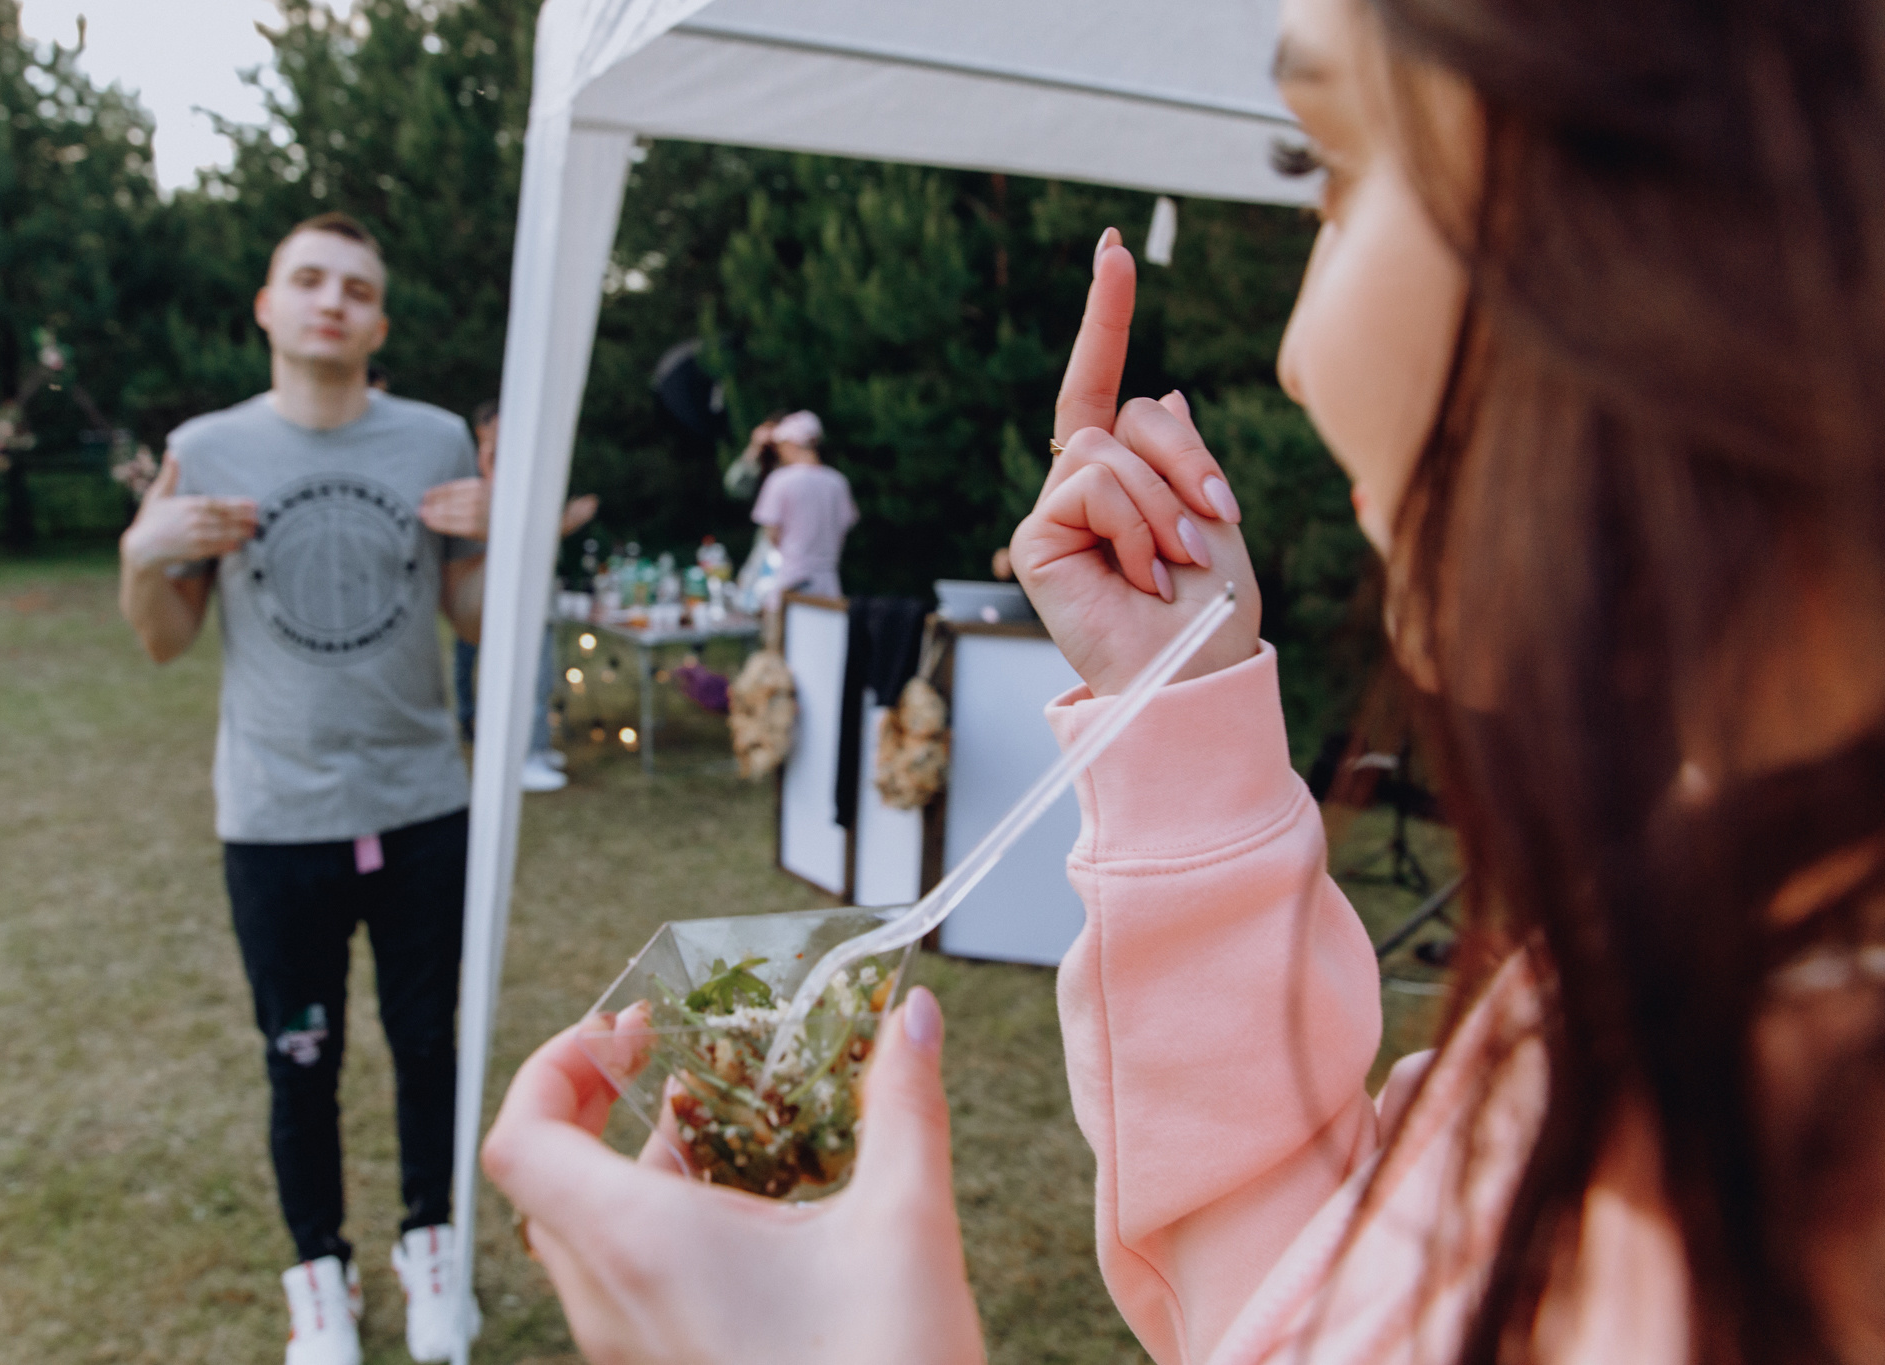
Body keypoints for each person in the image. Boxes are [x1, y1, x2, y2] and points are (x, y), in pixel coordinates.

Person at [476, 0, 1885, 1360]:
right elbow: (1319, 1290)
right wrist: (1183, 706)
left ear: (1707, 201)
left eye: (1323, 166)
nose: (1296, 356)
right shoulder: (1726, 953)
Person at [118, 212, 488, 1365]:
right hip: (276, 817)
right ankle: (317, 1273)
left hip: (423, 800)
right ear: (267, 307)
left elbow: (469, 619)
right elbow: (165, 641)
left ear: (378, 322)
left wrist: (505, 538)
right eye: (308, 280)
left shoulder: (434, 439)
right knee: (301, 1055)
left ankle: (431, 1247)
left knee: (430, 1044)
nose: (332, 300)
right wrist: (142, 552)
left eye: (356, 287)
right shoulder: (210, 448)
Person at [452, 398, 598, 791]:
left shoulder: (516, 473)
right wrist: (568, 521)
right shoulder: (484, 481)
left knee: (541, 675)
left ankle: (536, 747)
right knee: (527, 677)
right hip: (510, 592)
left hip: (534, 588)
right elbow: (519, 535)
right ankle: (523, 758)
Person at [745, 409, 858, 599]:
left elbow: (772, 534)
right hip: (828, 583)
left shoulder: (780, 480)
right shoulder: (837, 481)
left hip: (789, 581)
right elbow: (843, 528)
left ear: (791, 444)